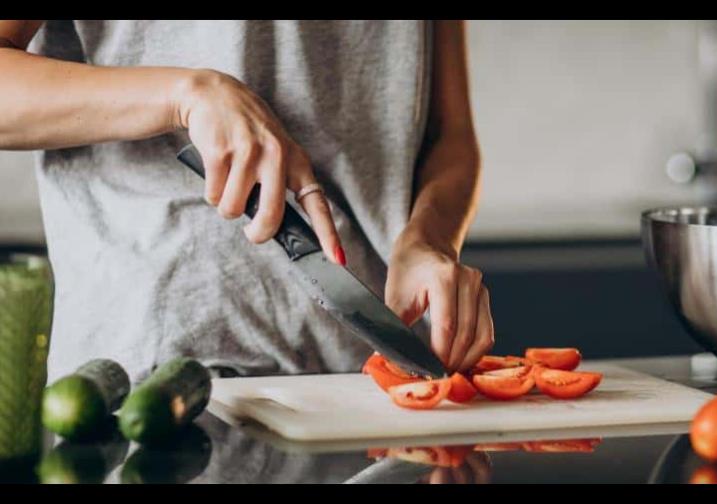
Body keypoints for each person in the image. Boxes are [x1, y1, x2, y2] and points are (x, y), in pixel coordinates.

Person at [0, 20, 494, 382]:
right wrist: (185, 95)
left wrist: (429, 239)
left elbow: (449, 136)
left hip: (367, 377)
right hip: (154, 374)